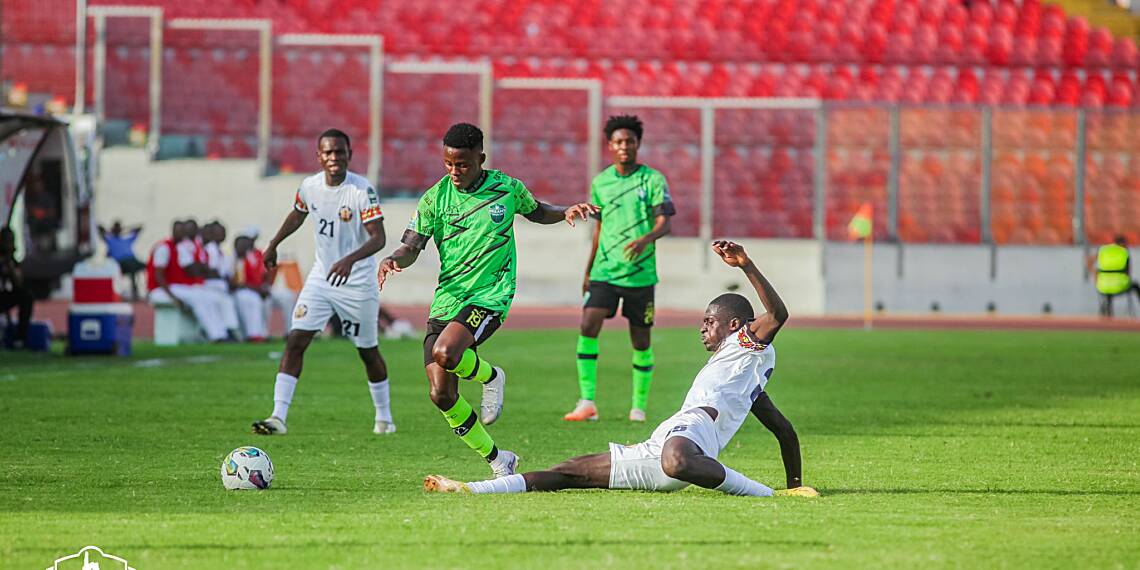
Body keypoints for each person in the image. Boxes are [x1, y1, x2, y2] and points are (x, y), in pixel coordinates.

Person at [424, 240, 817, 498]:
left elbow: (777, 314)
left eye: (709, 321)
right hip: (660, 445)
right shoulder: (745, 380)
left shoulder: (744, 347)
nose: (702, 328)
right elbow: (783, 430)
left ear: (735, 326)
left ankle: (760, 493)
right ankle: (470, 488)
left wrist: (746, 264)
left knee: (677, 458)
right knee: (568, 471)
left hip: (688, 440)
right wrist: (796, 485)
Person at [378, 122, 598, 478]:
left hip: (491, 294)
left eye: (462, 164)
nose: (454, 171)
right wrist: (393, 259)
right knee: (441, 395)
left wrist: (565, 211)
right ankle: (499, 460)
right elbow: (411, 245)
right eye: (448, 163)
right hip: (448, 299)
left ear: (480, 158)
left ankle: (492, 376)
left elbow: (538, 210)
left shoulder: (505, 188)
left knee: (446, 353)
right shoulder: (435, 199)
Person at [252, 128, 395, 436]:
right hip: (321, 278)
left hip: (356, 281)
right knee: (296, 340)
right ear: (319, 156)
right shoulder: (309, 186)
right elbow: (298, 214)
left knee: (367, 351)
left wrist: (348, 260)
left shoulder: (361, 191)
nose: (334, 158)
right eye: (328, 152)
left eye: (339, 152)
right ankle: (278, 417)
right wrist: (274, 243)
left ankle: (384, 417)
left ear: (349, 155)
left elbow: (379, 238)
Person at [566, 114, 675, 423]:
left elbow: (665, 221)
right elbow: (599, 230)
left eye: (629, 140)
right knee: (588, 325)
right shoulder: (601, 183)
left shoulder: (653, 180)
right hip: (605, 272)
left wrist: (647, 238)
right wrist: (588, 270)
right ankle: (587, 401)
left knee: (640, 340)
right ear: (610, 146)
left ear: (638, 143)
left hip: (640, 274)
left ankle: (638, 407)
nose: (624, 146)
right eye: (618, 141)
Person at [145, 221, 228, 342]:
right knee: (197, 297)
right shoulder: (164, 247)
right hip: (159, 289)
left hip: (174, 287)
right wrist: (173, 297)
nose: (183, 233)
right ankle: (215, 335)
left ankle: (220, 333)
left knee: (205, 296)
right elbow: (159, 276)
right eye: (180, 230)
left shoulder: (181, 247)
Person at [0, 227, 35, 349]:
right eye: (6, 241)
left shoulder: (11, 261)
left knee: (26, 296)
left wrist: (8, 263)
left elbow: (18, 283)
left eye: (11, 241)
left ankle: (19, 338)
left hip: (4, 296)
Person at [1089, 235, 1140, 317]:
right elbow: (1128, 273)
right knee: (1136, 285)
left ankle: (1108, 313)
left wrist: (1095, 277)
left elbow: (1089, 261)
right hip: (1120, 285)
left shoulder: (1104, 250)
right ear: (1123, 243)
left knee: (1109, 291)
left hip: (1103, 286)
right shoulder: (1124, 252)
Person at [98, 220, 145, 300]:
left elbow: (140, 227)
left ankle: (148, 291)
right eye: (116, 228)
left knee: (146, 265)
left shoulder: (127, 239)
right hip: (121, 264)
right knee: (131, 267)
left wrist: (124, 231)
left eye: (118, 228)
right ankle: (134, 292)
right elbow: (99, 228)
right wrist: (111, 232)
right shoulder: (110, 239)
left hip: (133, 260)